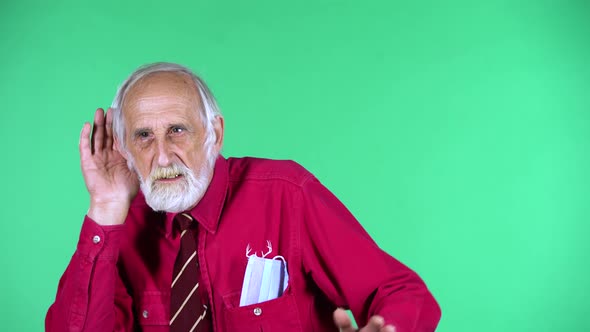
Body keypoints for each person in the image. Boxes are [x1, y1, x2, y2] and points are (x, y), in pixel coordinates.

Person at [46, 62, 441, 332]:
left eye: (178, 130)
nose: (162, 155)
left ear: (215, 133)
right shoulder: (123, 224)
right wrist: (106, 207)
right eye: (144, 136)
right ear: (123, 145)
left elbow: (401, 292)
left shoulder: (286, 194)